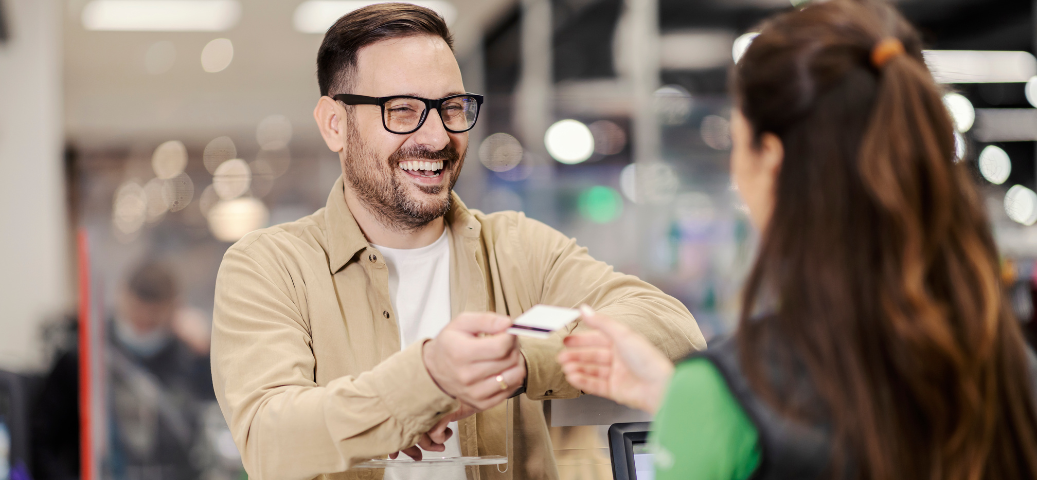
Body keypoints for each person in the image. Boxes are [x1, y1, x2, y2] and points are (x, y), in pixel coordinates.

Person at [209, 4, 705, 480]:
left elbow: (670, 326)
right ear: (335, 124)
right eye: (402, 110)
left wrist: (522, 360)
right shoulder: (270, 266)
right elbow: (267, 434)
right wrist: (424, 382)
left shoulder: (516, 247)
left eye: (451, 107)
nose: (438, 136)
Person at [558, 1, 1037, 479]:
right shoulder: (1006, 366)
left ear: (771, 157)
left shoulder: (727, 394)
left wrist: (702, 407)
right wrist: (687, 400)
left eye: (737, 138)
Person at [33, 260, 214, 480]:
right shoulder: (83, 357)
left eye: (153, 320)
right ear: (122, 296)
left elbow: (211, 419)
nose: (144, 325)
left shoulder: (186, 360)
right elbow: (43, 441)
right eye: (137, 316)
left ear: (174, 309)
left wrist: (206, 353)